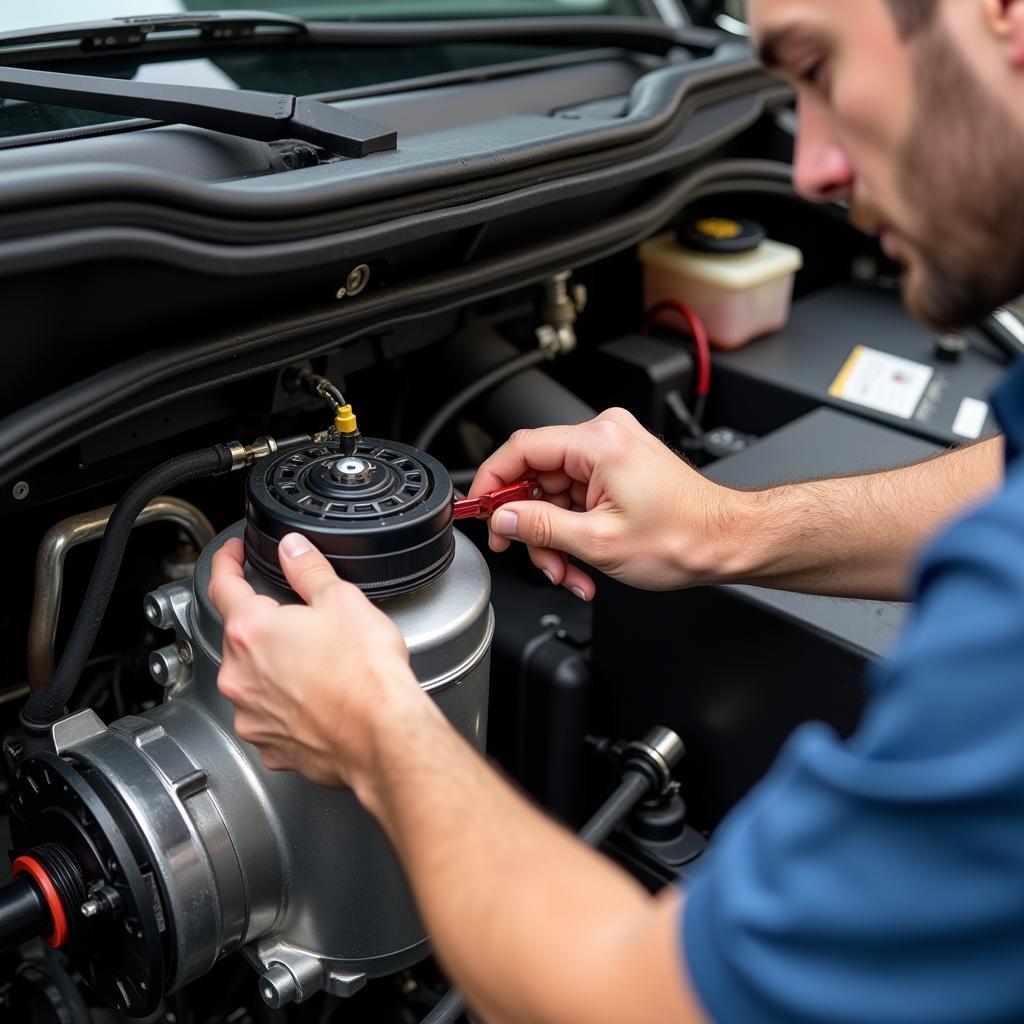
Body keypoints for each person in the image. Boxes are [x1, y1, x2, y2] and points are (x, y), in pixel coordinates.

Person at [208, 0, 1024, 1019]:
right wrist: (726, 527)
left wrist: (373, 732)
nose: (811, 167)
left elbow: (641, 1000)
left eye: (816, 67)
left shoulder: (1002, 652)